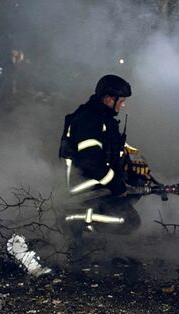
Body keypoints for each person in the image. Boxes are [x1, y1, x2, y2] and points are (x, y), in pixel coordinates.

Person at [60, 74, 151, 233]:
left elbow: (110, 146)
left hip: (98, 185)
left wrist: (133, 159)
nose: (122, 105)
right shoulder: (88, 121)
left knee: (138, 182)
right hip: (82, 190)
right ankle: (73, 220)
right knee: (127, 222)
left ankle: (99, 232)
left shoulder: (104, 119)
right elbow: (90, 161)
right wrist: (115, 183)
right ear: (109, 99)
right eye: (121, 101)